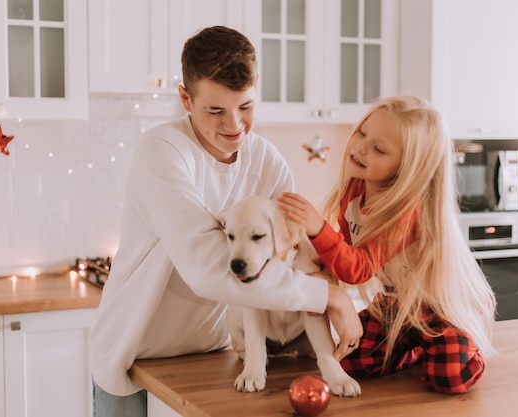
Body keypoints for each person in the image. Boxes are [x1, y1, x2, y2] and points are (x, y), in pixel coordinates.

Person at [90, 26, 362, 417]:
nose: (234, 125)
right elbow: (207, 268)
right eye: (215, 110)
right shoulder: (163, 150)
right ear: (185, 98)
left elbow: (287, 256)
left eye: (245, 107)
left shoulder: (268, 162)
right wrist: (330, 297)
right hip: (134, 352)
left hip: (217, 351)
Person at [277, 96, 497, 394]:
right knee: (347, 362)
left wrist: (318, 228)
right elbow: (343, 248)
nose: (360, 147)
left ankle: (464, 342)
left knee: (449, 377)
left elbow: (358, 268)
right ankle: (413, 348)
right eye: (362, 133)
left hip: (435, 310)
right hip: (393, 304)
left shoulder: (407, 211)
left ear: (407, 167)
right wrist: (323, 275)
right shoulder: (356, 191)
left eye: (379, 149)